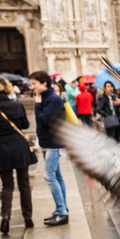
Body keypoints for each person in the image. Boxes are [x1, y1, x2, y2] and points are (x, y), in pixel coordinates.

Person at [0, 77, 36, 234]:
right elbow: (25, 125)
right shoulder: (16, 105)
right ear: (7, 88)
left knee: (7, 185)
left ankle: (5, 217)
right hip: (18, 145)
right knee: (24, 183)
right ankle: (27, 217)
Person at [29, 71, 69, 227]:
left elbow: (45, 120)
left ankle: (61, 211)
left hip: (53, 143)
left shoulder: (53, 99)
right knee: (57, 176)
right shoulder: (46, 98)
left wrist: (37, 106)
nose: (32, 87)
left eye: (34, 84)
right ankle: (62, 208)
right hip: (48, 142)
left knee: (49, 176)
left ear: (44, 83)